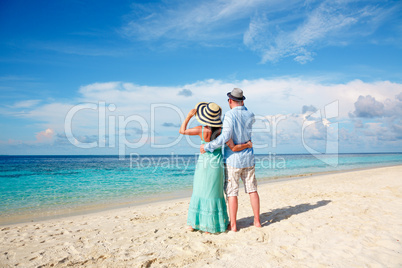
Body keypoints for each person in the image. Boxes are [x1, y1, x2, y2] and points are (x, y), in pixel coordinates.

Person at [179, 102, 252, 233]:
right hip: (216, 164)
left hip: (203, 164)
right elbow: (233, 147)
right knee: (214, 192)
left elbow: (182, 130)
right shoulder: (221, 131)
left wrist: (189, 115)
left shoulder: (201, 130)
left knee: (199, 190)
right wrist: (247, 145)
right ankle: (210, 226)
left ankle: (194, 224)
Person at [200, 88, 261, 232]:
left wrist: (207, 146)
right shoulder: (251, 115)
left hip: (233, 160)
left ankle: (233, 225)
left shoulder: (229, 115)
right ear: (242, 100)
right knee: (252, 190)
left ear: (230, 101)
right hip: (248, 157)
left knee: (232, 192)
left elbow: (225, 136)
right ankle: (257, 221)